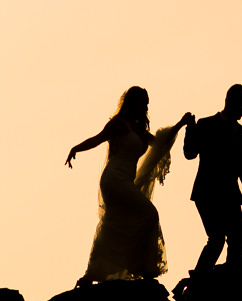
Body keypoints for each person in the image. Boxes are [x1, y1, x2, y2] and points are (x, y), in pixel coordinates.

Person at [67, 88, 193, 286]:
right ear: (132, 103)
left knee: (115, 222)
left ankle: (92, 274)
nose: (145, 107)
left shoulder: (140, 131)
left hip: (125, 180)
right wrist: (76, 148)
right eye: (143, 102)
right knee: (149, 214)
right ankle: (146, 268)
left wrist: (180, 125)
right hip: (114, 179)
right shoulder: (118, 124)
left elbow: (160, 144)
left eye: (147, 103)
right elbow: (98, 138)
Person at [183, 85, 242, 275]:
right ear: (229, 101)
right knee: (216, 239)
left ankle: (228, 281)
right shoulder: (206, 124)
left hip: (231, 195)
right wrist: (190, 129)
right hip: (207, 193)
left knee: (237, 241)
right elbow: (190, 153)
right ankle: (198, 280)